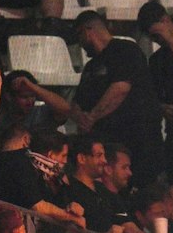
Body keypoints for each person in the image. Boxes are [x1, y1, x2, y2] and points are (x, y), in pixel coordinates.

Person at [70, 12, 163, 178]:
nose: (80, 43)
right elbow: (77, 102)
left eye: (79, 36)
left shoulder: (125, 50)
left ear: (87, 31)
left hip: (138, 140)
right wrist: (81, 118)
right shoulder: (91, 67)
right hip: (108, 143)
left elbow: (120, 88)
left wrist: (91, 117)